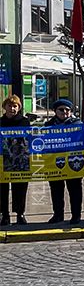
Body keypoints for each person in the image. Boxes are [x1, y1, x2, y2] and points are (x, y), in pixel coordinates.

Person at [46, 98, 84, 224]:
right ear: (55, 111)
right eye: (61, 110)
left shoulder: (77, 125)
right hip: (55, 162)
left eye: (67, 110)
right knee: (56, 191)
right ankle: (58, 214)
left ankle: (76, 215)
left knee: (75, 191)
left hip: (74, 162)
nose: (64, 112)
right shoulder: (48, 125)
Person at [0, 96, 30, 226]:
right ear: (4, 107)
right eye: (10, 106)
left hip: (20, 160)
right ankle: (4, 215)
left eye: (15, 106)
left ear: (19, 108)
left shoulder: (24, 122)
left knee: (20, 188)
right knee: (2, 189)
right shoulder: (0, 122)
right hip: (3, 160)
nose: (12, 108)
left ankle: (20, 214)